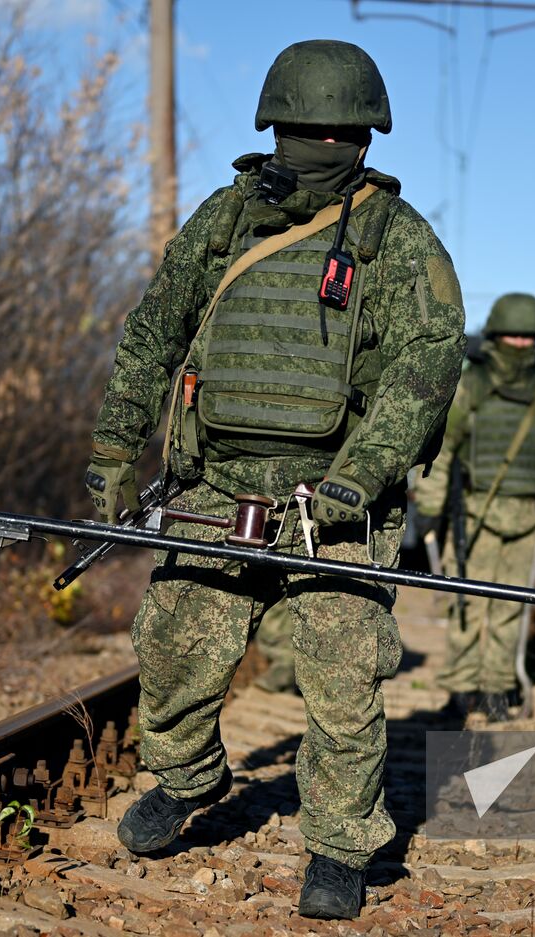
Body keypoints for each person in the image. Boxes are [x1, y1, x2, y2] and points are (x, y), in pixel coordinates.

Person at [85, 39, 464, 920]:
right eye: (303, 127)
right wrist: (114, 447)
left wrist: (361, 477)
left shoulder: (396, 240)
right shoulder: (224, 219)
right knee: (175, 647)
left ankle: (338, 841)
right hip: (216, 483)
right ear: (275, 126)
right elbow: (153, 332)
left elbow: (429, 363)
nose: (318, 142)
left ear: (365, 138)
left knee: (342, 679)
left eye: (335, 130)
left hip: (331, 498)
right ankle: (185, 779)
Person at [411, 293, 535, 722]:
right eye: (513, 334)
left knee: (510, 609)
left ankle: (495, 690)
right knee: (466, 605)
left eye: (529, 336)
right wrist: (432, 508)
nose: (520, 343)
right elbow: (443, 447)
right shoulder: (471, 385)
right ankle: (460, 690)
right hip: (473, 515)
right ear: (495, 335)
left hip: (529, 518)